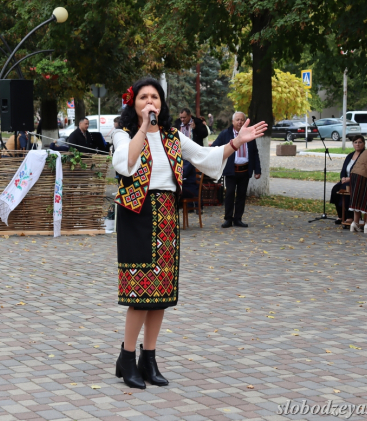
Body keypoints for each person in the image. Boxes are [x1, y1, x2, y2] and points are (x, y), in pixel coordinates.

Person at [112, 78, 266, 389]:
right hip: (137, 215)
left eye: (155, 97)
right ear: (134, 103)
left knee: (161, 295)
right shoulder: (123, 133)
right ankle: (126, 358)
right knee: (140, 293)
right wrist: (144, 128)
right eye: (144, 97)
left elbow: (206, 157)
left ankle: (148, 358)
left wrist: (237, 142)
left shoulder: (172, 136)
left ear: (162, 103)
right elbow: (126, 163)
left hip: (165, 215)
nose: (150, 102)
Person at [211, 112, 262, 228]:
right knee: (229, 194)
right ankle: (228, 219)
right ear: (233, 122)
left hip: (245, 170)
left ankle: (238, 219)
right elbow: (215, 147)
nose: (240, 122)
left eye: (242, 120)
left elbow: (254, 152)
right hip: (231, 170)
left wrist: (257, 170)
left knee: (241, 195)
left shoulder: (249, 134)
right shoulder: (226, 134)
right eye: (237, 120)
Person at [330, 135, 365, 224]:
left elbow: (362, 172)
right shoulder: (350, 155)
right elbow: (343, 169)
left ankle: (350, 216)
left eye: (360, 142)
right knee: (335, 189)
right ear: (353, 144)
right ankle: (341, 215)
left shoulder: (365, 156)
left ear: (364, 144)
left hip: (357, 181)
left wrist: (350, 179)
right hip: (346, 180)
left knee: (346, 188)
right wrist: (343, 178)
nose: (357, 144)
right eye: (355, 142)